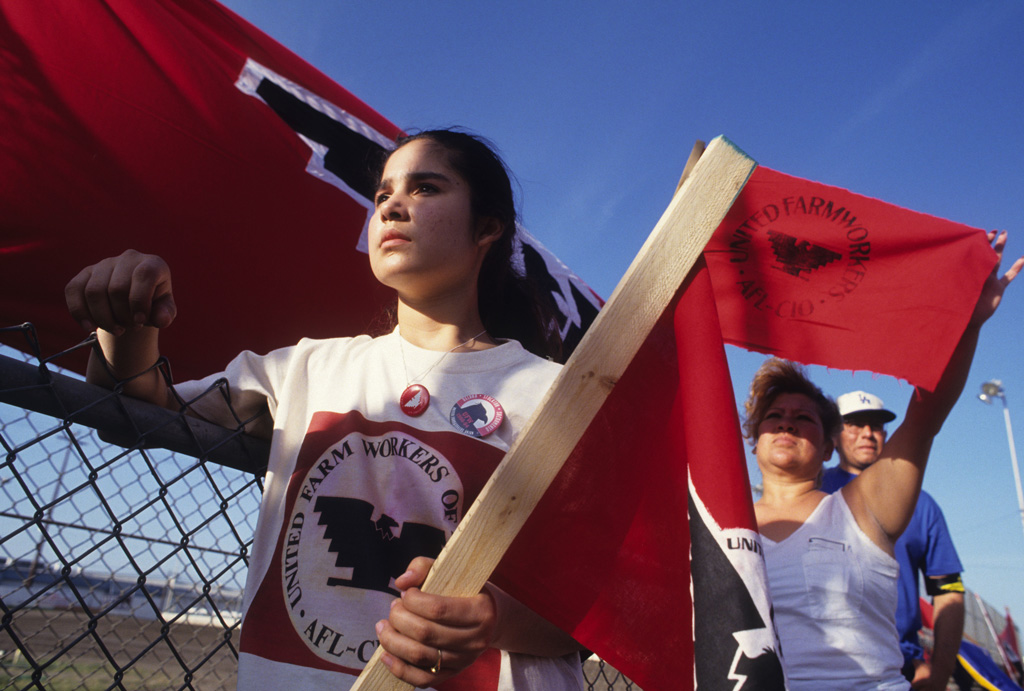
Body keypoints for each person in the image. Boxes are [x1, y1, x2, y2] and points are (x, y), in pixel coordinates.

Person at [65, 130, 585, 690]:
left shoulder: (556, 393)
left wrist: (497, 620)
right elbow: (137, 408)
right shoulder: (306, 369)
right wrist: (127, 322)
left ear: (487, 227)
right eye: (383, 194)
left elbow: (612, 611)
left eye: (426, 188)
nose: (392, 206)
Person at [745, 231, 1021, 691]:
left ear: (829, 445)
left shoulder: (861, 507)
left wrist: (965, 324)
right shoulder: (719, 521)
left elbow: (925, 416)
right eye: (774, 416)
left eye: (804, 417)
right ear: (754, 440)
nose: (787, 423)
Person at [822, 391, 965, 690]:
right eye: (855, 424)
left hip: (899, 667)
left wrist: (939, 672)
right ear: (834, 434)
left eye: (875, 426)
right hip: (819, 662)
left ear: (887, 434)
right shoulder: (811, 492)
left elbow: (949, 591)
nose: (867, 434)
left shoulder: (922, 505)